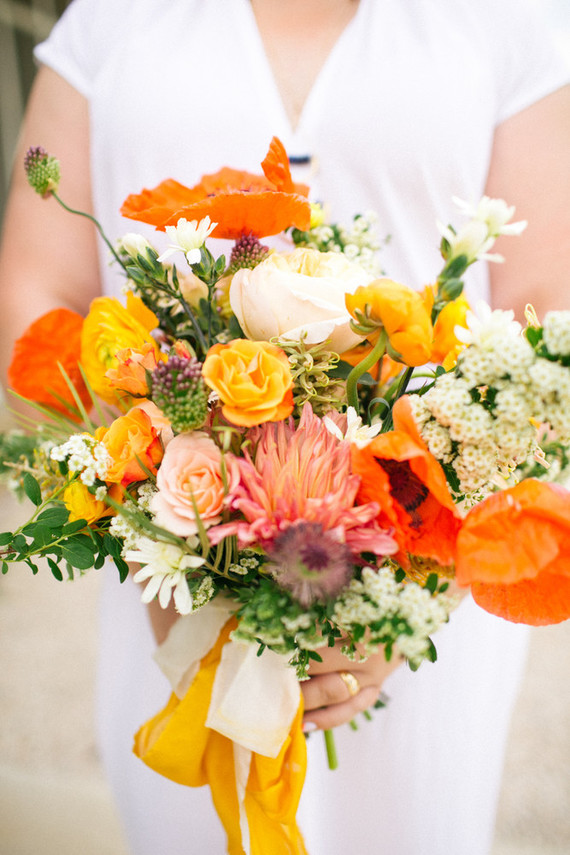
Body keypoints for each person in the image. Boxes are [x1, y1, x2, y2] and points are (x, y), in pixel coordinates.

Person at [1, 1, 569, 853]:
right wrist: (162, 523)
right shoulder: (112, 20)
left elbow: (545, 316)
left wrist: (408, 603)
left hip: (429, 555)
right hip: (172, 585)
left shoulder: (511, 19)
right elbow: (34, 292)